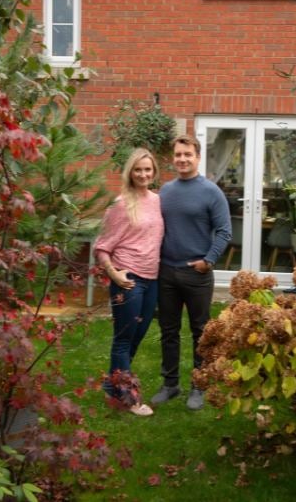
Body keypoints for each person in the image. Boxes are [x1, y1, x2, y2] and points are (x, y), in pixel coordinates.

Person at [151, 134, 232, 410]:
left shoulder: (212, 192)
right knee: (169, 330)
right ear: (173, 158)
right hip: (167, 273)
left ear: (198, 157)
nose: (182, 159)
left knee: (201, 332)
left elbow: (224, 231)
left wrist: (208, 261)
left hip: (197, 275)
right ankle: (170, 384)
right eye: (178, 155)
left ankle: (199, 385)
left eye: (188, 154)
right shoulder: (166, 191)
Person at [94, 148, 164, 416]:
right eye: (138, 170)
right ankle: (129, 398)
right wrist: (114, 274)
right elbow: (101, 246)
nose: (143, 174)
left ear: (153, 172)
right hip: (129, 279)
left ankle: (113, 387)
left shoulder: (157, 201)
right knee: (123, 340)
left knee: (136, 337)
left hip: (152, 279)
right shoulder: (121, 204)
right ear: (130, 172)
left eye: (148, 169)